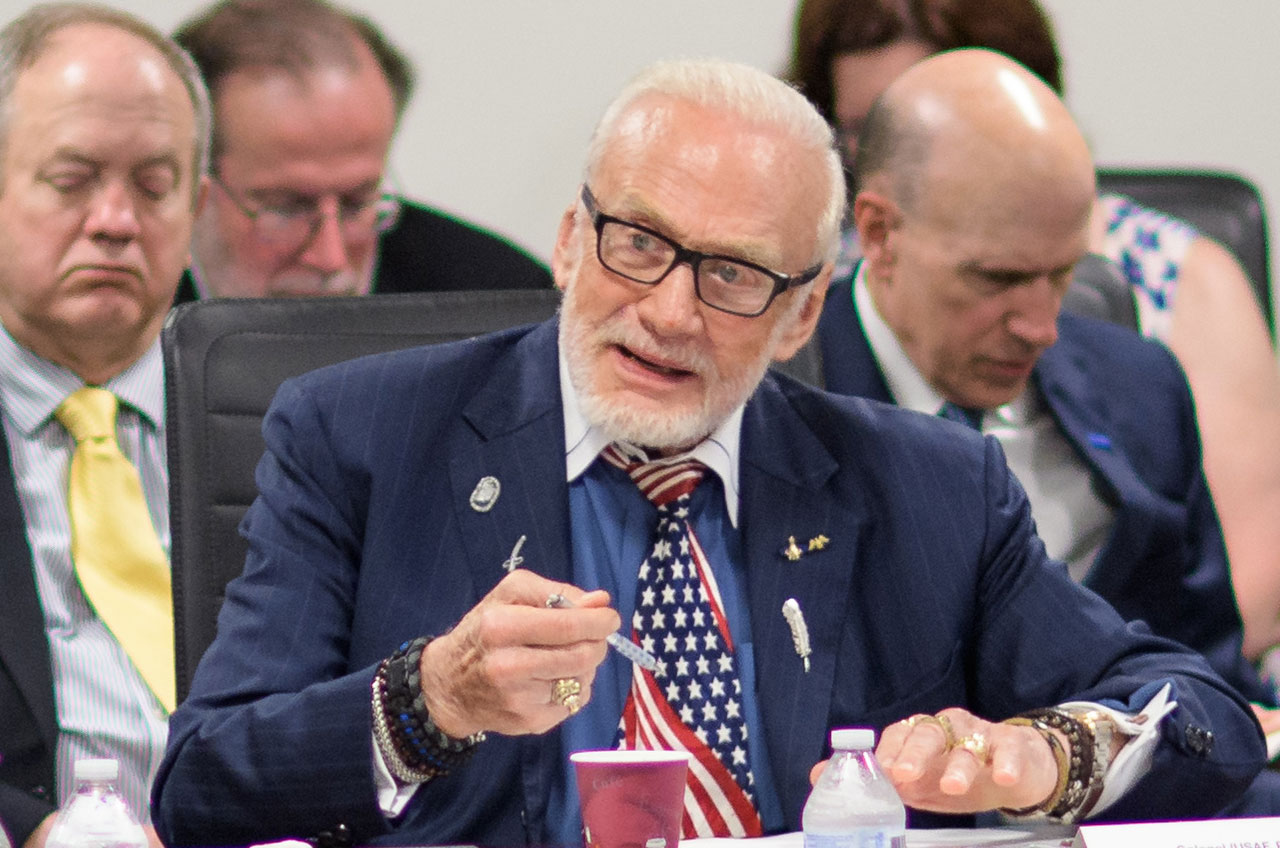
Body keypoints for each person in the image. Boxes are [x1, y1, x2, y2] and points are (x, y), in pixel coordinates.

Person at [151, 57, 1264, 847]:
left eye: (732, 274)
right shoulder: (358, 435)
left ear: (801, 312)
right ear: (568, 239)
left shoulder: (930, 487)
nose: (668, 312)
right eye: (636, 244)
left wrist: (1046, 755)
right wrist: (426, 696)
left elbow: (1199, 715)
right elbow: (202, 783)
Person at [788, 0, 1280, 666]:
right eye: (997, 279)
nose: (1041, 326)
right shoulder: (777, 409)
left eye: (1063, 275)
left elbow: (1212, 678)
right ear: (878, 233)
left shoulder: (1142, 386)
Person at [0, 4, 210, 848]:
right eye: (73, 178)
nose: (117, 220)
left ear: (198, 204)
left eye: (155, 186)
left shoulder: (279, 427)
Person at [173, 0, 552, 301]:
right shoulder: (124, 316)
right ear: (191, 187)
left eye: (357, 204)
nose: (331, 259)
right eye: (286, 209)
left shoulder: (494, 302)